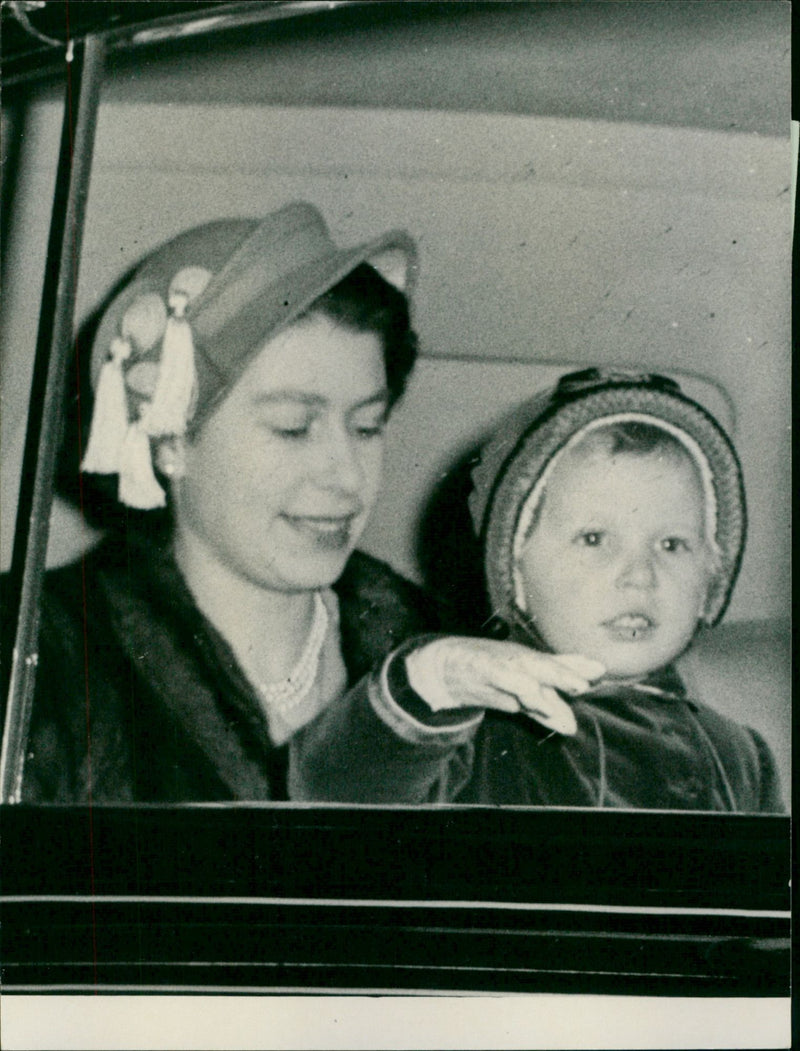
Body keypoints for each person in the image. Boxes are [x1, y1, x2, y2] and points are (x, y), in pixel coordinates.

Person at [6, 201, 450, 802]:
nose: (347, 476)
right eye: (293, 428)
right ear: (171, 442)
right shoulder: (38, 665)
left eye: (367, 426)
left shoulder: (437, 647)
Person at [298, 369, 785, 811]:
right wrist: (432, 683)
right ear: (516, 576)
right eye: (594, 539)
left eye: (672, 544)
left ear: (710, 582)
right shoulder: (484, 734)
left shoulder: (742, 755)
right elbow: (332, 795)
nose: (640, 574)